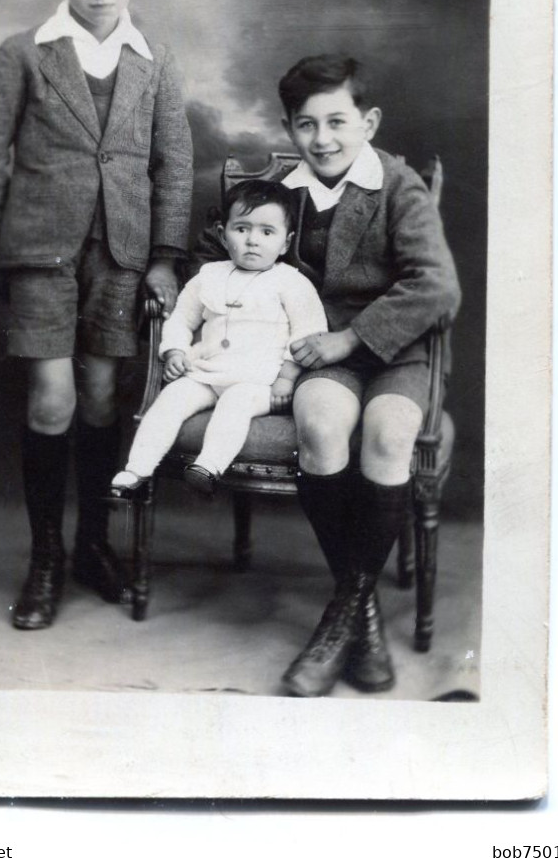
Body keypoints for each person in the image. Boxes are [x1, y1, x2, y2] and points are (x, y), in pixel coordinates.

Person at [0, 0, 193, 630]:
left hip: (121, 259)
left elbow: (175, 166)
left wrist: (162, 257)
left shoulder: (154, 65)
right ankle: (46, 558)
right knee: (52, 398)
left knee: (98, 394)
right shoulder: (23, 54)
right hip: (41, 256)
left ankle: (92, 543)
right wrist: (5, 242)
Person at [196, 54, 460, 696]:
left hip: (397, 346)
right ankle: (360, 612)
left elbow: (437, 286)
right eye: (307, 126)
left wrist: (353, 338)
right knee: (319, 426)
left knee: (391, 434)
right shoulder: (285, 193)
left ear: (367, 122)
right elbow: (223, 246)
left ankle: (341, 615)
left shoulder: (399, 186)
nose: (324, 139)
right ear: (291, 131)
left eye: (338, 122)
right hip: (315, 345)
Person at [111, 180, 327, 497]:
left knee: (235, 404)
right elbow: (182, 318)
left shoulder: (291, 282)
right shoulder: (209, 276)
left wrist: (287, 376)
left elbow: (309, 331)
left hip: (260, 382)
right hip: (207, 372)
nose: (253, 241)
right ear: (224, 234)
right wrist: (175, 352)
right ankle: (136, 471)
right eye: (242, 229)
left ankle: (209, 466)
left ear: (285, 242)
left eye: (267, 232)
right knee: (169, 401)